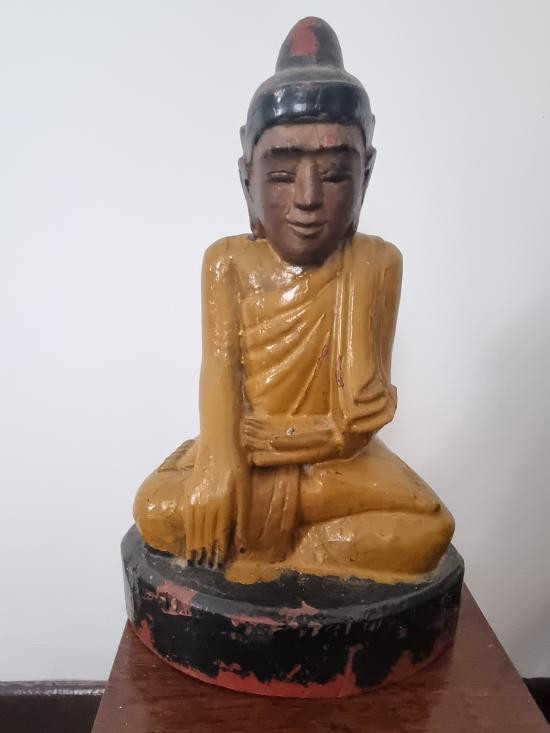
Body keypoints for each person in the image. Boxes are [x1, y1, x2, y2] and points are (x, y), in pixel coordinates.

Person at [133, 17, 454, 582]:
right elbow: (220, 371)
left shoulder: (375, 263)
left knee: (428, 526)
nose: (307, 198)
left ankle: (294, 550)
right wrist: (220, 462)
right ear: (247, 180)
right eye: (282, 174)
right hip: (241, 453)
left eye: (334, 175)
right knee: (156, 509)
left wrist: (282, 445)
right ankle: (298, 540)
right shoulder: (227, 262)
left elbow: (355, 423)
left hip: (331, 467)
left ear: (366, 175)